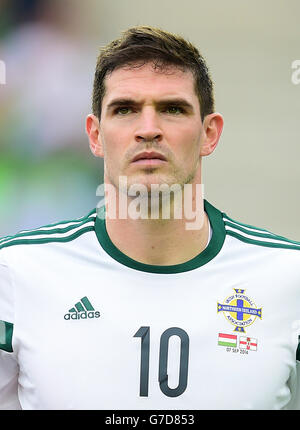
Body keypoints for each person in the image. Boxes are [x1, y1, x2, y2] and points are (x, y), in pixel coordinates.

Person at [0, 25, 300, 410]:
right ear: (94, 135)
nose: (148, 130)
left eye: (172, 109)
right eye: (125, 109)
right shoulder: (15, 272)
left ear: (210, 133)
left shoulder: (288, 277)